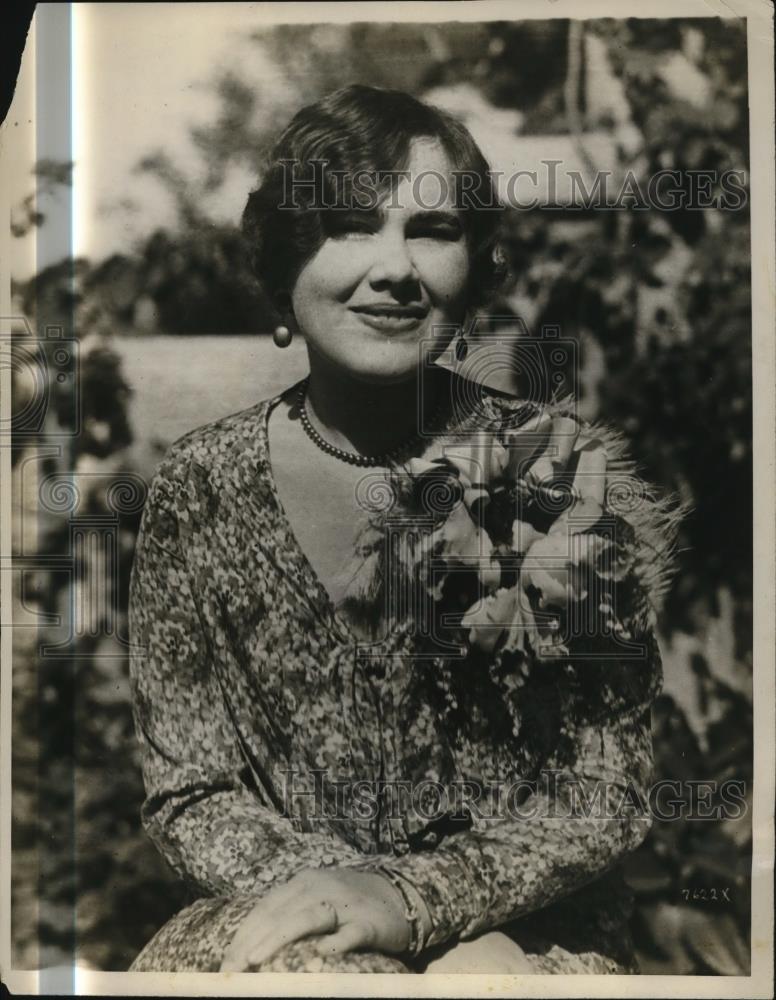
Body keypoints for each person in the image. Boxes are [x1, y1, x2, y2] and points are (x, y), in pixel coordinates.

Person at [128, 84, 682, 974]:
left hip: (518, 935)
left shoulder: (551, 471)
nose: (394, 267)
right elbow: (190, 790)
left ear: (477, 267)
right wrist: (344, 897)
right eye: (351, 226)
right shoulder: (201, 489)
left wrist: (426, 902)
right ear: (284, 266)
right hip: (285, 917)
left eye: (432, 230)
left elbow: (605, 785)